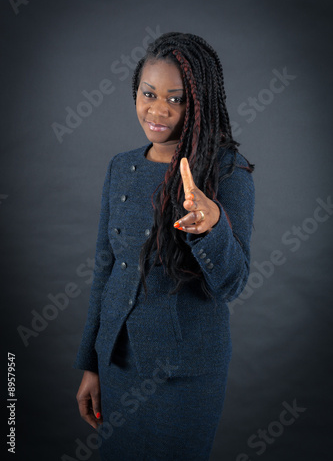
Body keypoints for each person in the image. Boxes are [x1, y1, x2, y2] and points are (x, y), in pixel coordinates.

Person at [73, 32, 255, 460]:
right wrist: (91, 363)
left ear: (199, 103)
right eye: (148, 94)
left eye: (177, 99)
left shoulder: (228, 171)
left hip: (184, 372)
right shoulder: (121, 166)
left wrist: (211, 228)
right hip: (117, 361)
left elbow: (232, 284)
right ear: (134, 91)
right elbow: (106, 270)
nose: (158, 110)